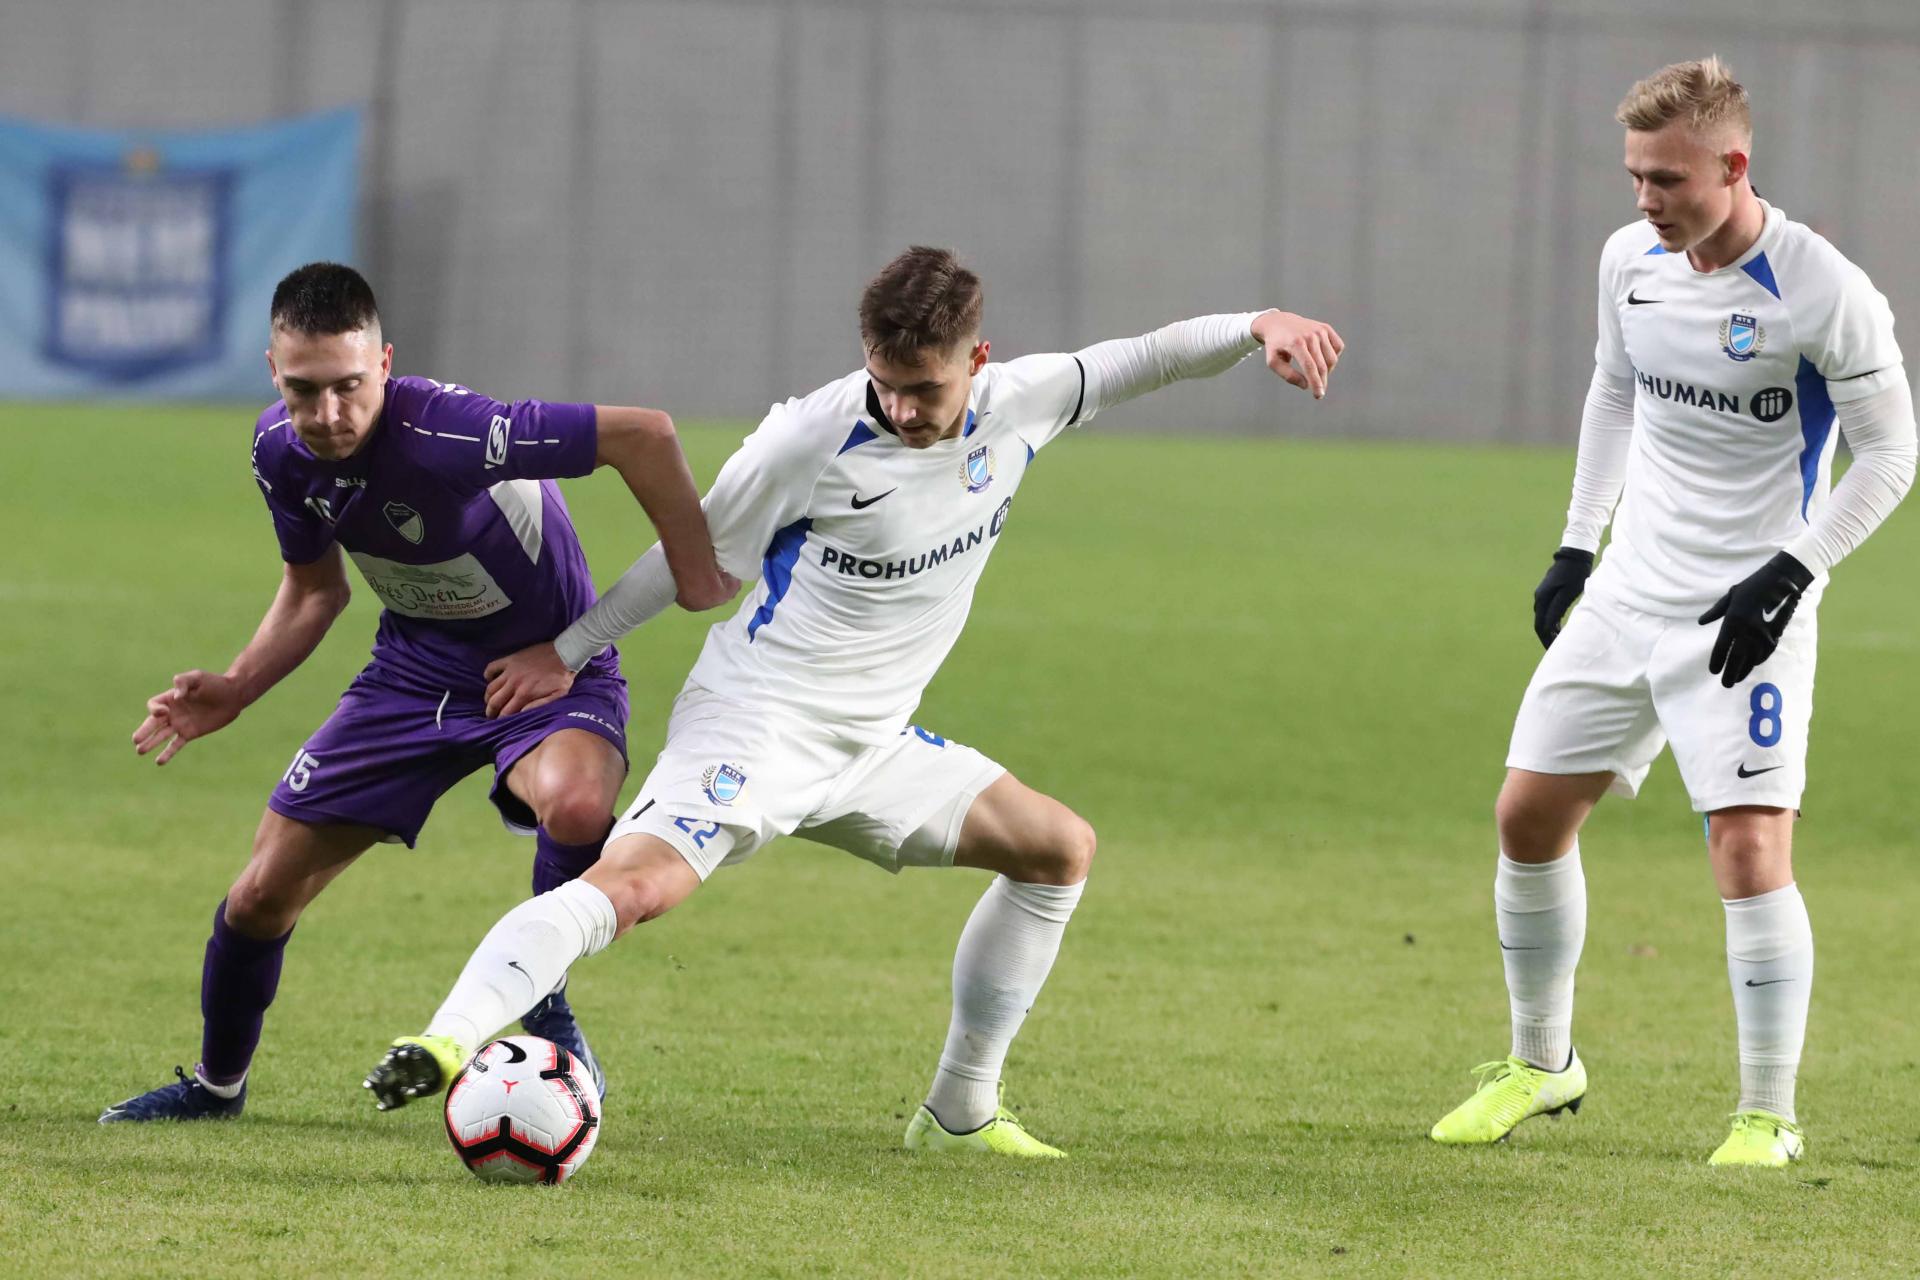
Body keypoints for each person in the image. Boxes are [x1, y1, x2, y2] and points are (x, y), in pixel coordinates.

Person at [362, 246, 1344, 1156]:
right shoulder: (807, 439)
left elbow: (1151, 356)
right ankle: (448, 1040)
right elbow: (689, 556)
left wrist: (1259, 323)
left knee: (1057, 849)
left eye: (926, 388)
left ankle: (959, 1111)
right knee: (634, 891)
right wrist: (569, 650)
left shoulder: (1024, 402)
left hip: (873, 744)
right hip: (758, 722)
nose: (904, 408)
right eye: (886, 382)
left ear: (978, 360)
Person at [101, 262, 730, 1122]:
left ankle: (540, 999)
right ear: (273, 372)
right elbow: (315, 591)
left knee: (579, 805)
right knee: (257, 897)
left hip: (550, 672)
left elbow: (644, 434)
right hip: (412, 678)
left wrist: (694, 573)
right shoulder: (278, 451)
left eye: (349, 386)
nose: (328, 414)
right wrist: (238, 686)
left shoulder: (452, 432)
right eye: (303, 390)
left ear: (385, 364)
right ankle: (216, 1089)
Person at [1429, 58, 1915, 1166]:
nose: (1646, 199)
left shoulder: (1821, 287)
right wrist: (1576, 543)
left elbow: (1893, 454)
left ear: (1734, 167)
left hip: (1749, 612)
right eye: (1635, 176)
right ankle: (1543, 1063)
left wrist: (1791, 573)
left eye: (1667, 179)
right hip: (1629, 590)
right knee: (1526, 817)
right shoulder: (1629, 260)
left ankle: (1766, 1116)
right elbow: (1615, 389)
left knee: (1747, 849)